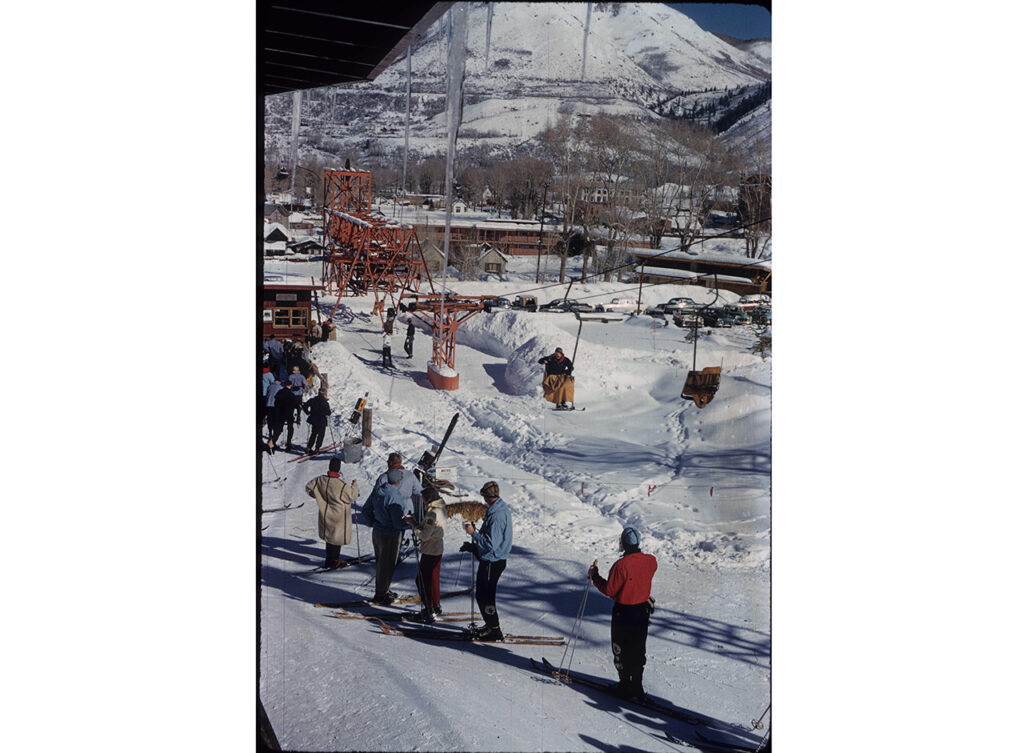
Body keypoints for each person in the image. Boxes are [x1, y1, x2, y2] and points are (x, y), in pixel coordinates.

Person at [587, 527, 658, 701]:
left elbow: (610, 590)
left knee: (620, 649)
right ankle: (637, 686)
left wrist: (595, 576)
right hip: (642, 611)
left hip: (624, 613)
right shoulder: (651, 561)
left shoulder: (620, 566)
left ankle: (625, 684)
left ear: (623, 544)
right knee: (638, 648)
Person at [460, 481, 512, 642]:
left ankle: (494, 630)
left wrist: (473, 533)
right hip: (492, 559)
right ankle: (490, 625)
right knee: (483, 594)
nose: (483, 500)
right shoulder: (497, 509)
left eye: (484, 496)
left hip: (493, 561)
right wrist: (474, 547)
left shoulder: (497, 515)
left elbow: (491, 544)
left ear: (488, 496)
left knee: (485, 596)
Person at [361, 468, 411, 604]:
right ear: (398, 481)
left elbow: (366, 510)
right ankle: (381, 594)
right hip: (390, 535)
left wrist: (373, 522)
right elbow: (397, 522)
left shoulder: (378, 491)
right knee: (387, 564)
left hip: (377, 532)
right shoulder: (394, 496)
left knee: (380, 562)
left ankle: (384, 590)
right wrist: (410, 524)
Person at [306, 457, 359, 569]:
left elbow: (309, 488)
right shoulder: (341, 485)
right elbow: (352, 496)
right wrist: (354, 486)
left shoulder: (320, 480)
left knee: (329, 537)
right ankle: (335, 561)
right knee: (336, 539)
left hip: (326, 513)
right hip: (339, 516)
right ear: (338, 469)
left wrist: (318, 497)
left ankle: (329, 560)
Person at [404, 493, 446, 622]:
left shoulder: (432, 513)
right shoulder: (441, 508)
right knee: (432, 578)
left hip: (430, 549)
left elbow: (425, 535)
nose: (422, 502)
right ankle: (435, 604)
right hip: (437, 548)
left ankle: (429, 609)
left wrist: (413, 524)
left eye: (423, 499)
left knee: (422, 580)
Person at [375, 452, 423, 521]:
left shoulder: (384, 477)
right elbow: (419, 491)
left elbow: (376, 495)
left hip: (390, 510)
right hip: (407, 509)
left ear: (391, 463)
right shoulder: (410, 475)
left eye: (388, 461)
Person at [302, 388, 332, 454]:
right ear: (324, 394)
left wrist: (308, 412)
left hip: (314, 419)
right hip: (321, 421)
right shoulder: (325, 402)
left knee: (313, 434)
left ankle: (308, 448)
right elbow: (328, 413)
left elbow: (304, 406)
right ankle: (317, 449)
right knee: (320, 435)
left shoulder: (313, 400)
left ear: (318, 393)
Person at [272, 384, 301, 452]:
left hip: (281, 412)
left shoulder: (280, 392)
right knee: (290, 428)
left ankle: (273, 442)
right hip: (289, 413)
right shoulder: (291, 394)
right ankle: (288, 444)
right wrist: (298, 406)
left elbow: (276, 401)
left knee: (279, 428)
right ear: (290, 385)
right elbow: (296, 403)